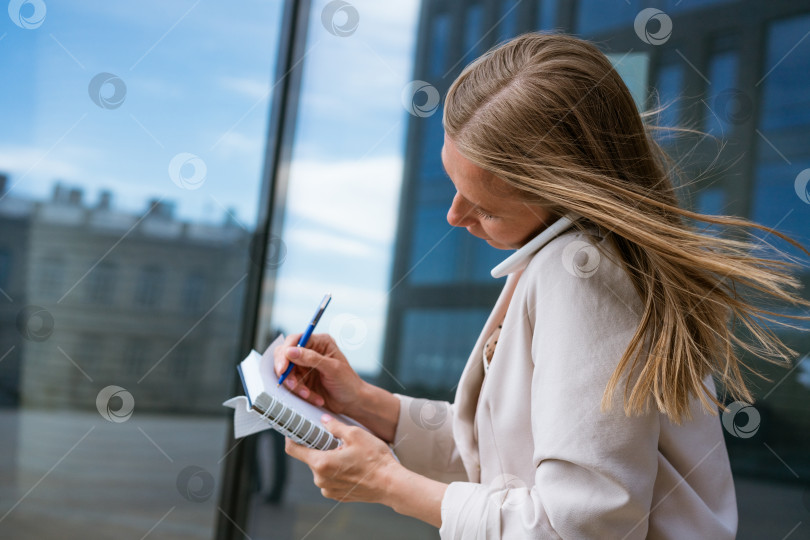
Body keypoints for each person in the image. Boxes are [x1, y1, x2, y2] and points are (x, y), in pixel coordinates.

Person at [273, 32, 810, 538]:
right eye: (452, 184)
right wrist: (367, 402)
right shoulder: (573, 260)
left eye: (485, 208)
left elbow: (576, 525)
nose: (455, 217)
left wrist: (388, 484)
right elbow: (513, 463)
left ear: (567, 191)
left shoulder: (582, 271)